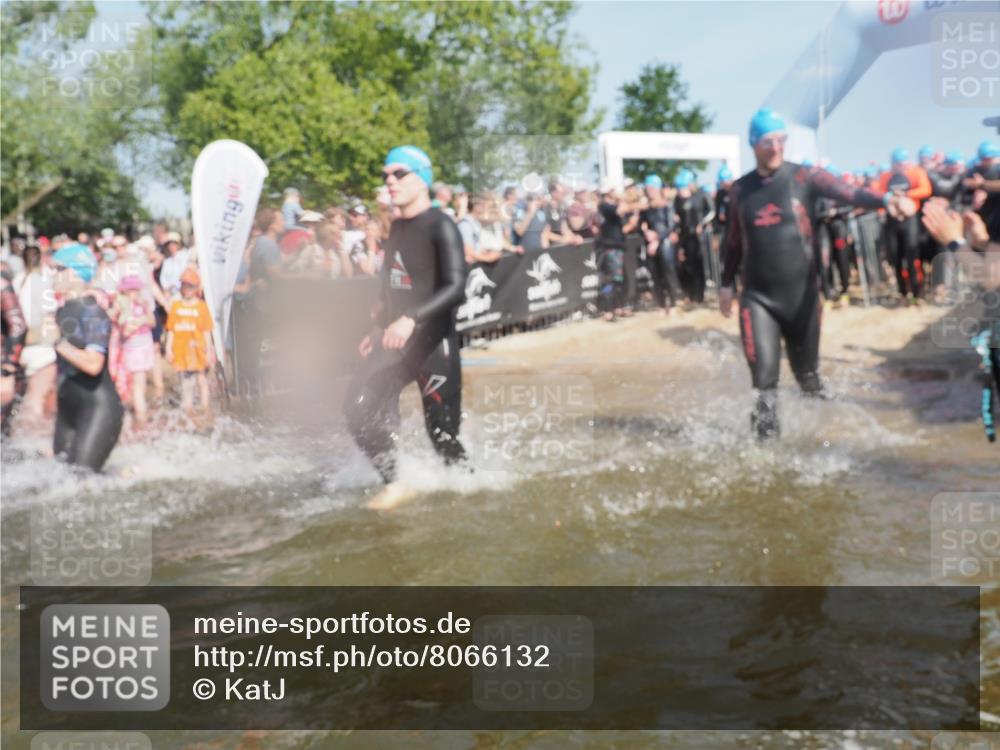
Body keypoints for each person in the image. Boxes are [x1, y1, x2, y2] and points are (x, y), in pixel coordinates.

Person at [719, 109, 908, 440]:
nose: (776, 148)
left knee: (808, 381)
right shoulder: (740, 191)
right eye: (768, 141)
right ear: (754, 143)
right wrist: (724, 284)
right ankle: (765, 460)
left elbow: (846, 192)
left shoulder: (803, 178)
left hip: (802, 299)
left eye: (781, 140)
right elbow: (733, 240)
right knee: (764, 385)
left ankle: (833, 436)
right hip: (757, 299)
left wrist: (886, 199)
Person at [344, 145, 468, 510]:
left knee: (442, 438)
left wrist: (411, 317)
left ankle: (467, 488)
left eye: (399, 174)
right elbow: (390, 284)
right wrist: (376, 325)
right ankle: (396, 482)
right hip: (395, 343)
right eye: (386, 175)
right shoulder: (396, 228)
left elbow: (456, 287)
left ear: (422, 178)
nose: (390, 181)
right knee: (358, 407)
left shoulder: (441, 224)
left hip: (434, 348)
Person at [50, 243, 123, 471]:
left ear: (75, 272)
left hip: (98, 407)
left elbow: (93, 365)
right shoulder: (62, 310)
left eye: (58, 269)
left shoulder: (92, 311)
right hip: (68, 408)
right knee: (61, 479)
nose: (53, 274)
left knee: (83, 480)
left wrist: (57, 342)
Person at [876, 148, 932, 304]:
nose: (901, 167)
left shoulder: (916, 172)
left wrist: (906, 195)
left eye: (903, 163)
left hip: (910, 218)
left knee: (912, 254)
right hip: (891, 221)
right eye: (897, 164)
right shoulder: (885, 176)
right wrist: (883, 209)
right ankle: (902, 293)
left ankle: (918, 293)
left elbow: (926, 190)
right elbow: (879, 195)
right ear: (892, 164)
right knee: (895, 257)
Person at [165, 268, 215, 418]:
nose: (186, 289)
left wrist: (209, 350)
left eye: (190, 286)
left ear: (196, 288)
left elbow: (206, 330)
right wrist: (168, 348)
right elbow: (171, 329)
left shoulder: (201, 307)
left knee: (201, 379)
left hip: (198, 349)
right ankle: (188, 408)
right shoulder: (176, 306)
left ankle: (205, 407)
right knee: (187, 381)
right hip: (181, 349)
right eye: (184, 286)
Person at [116, 274, 156, 427]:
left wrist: (143, 318)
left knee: (140, 384)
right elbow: (124, 331)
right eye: (130, 290)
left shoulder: (143, 304)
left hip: (144, 346)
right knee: (134, 385)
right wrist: (135, 323)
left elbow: (152, 322)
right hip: (131, 349)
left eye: (136, 290)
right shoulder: (122, 306)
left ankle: (138, 414)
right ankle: (140, 418)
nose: (134, 293)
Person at [639, 174, 682, 314]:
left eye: (651, 188)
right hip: (651, 244)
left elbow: (670, 226)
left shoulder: (667, 205)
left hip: (665, 244)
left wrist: (656, 239)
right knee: (655, 274)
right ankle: (662, 304)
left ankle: (674, 303)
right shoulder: (645, 208)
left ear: (657, 189)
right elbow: (641, 225)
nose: (649, 190)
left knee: (668, 273)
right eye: (647, 188)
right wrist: (644, 230)